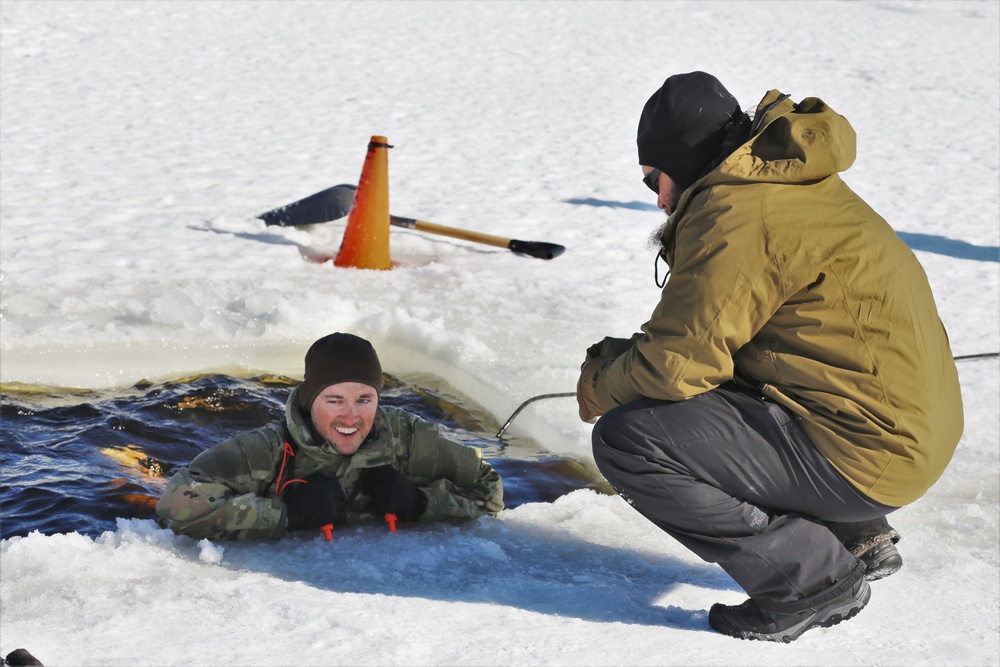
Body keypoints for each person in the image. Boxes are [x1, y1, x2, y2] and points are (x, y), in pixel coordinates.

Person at [577, 72, 963, 643]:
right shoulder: (791, 181)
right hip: (905, 429)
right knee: (721, 382)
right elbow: (714, 345)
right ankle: (859, 535)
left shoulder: (738, 213)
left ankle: (811, 580)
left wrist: (598, 383)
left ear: (682, 161)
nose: (658, 199)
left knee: (630, 439)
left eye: (654, 178)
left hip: (870, 449)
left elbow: (677, 363)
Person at [157, 332, 504, 540]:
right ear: (310, 402)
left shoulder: (406, 440)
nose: (351, 417)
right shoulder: (266, 451)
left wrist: (421, 502)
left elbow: (490, 491)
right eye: (334, 400)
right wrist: (284, 515)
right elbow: (176, 505)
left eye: (364, 400)